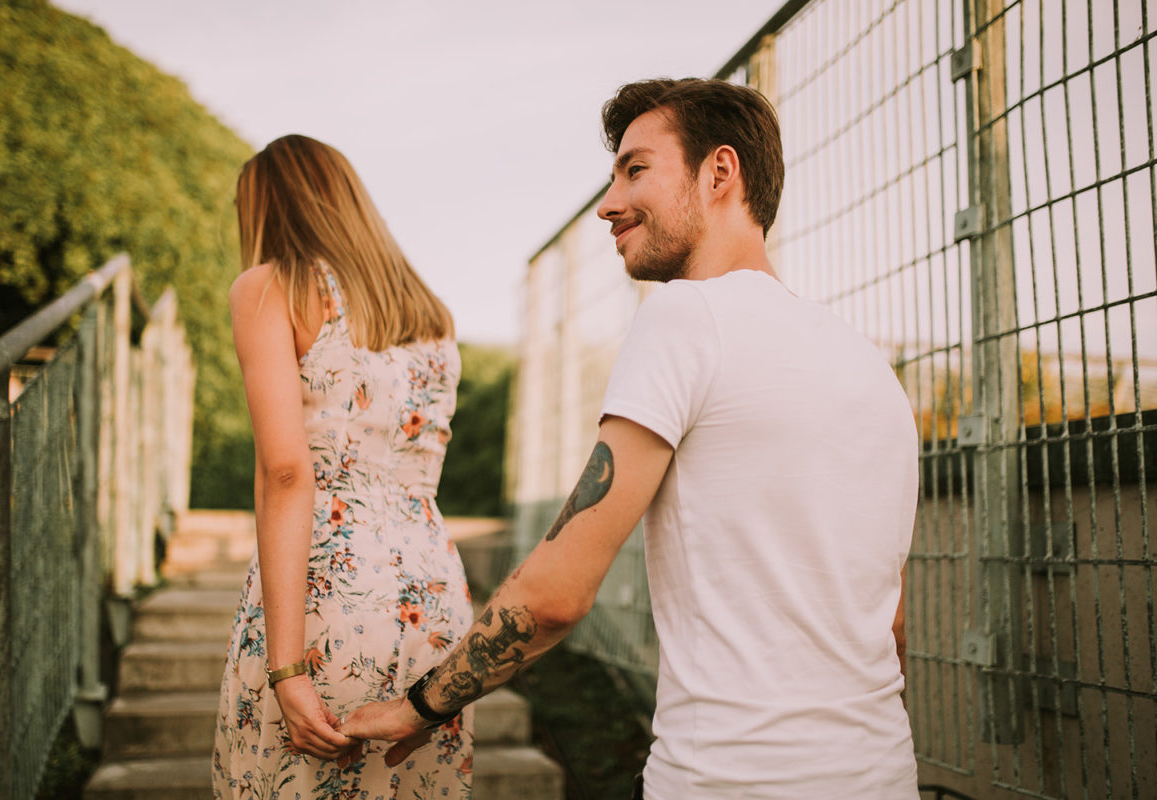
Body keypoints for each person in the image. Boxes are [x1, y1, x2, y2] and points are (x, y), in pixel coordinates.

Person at [339, 78, 919, 798]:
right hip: (881, 776)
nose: (609, 203)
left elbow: (554, 594)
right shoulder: (868, 365)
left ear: (720, 172)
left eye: (635, 169)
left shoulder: (685, 317)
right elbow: (889, 626)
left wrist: (416, 706)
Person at [212, 134, 474, 799]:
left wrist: (287, 669)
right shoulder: (430, 315)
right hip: (431, 590)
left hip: (329, 587)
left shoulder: (271, 287)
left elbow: (286, 472)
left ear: (270, 210)